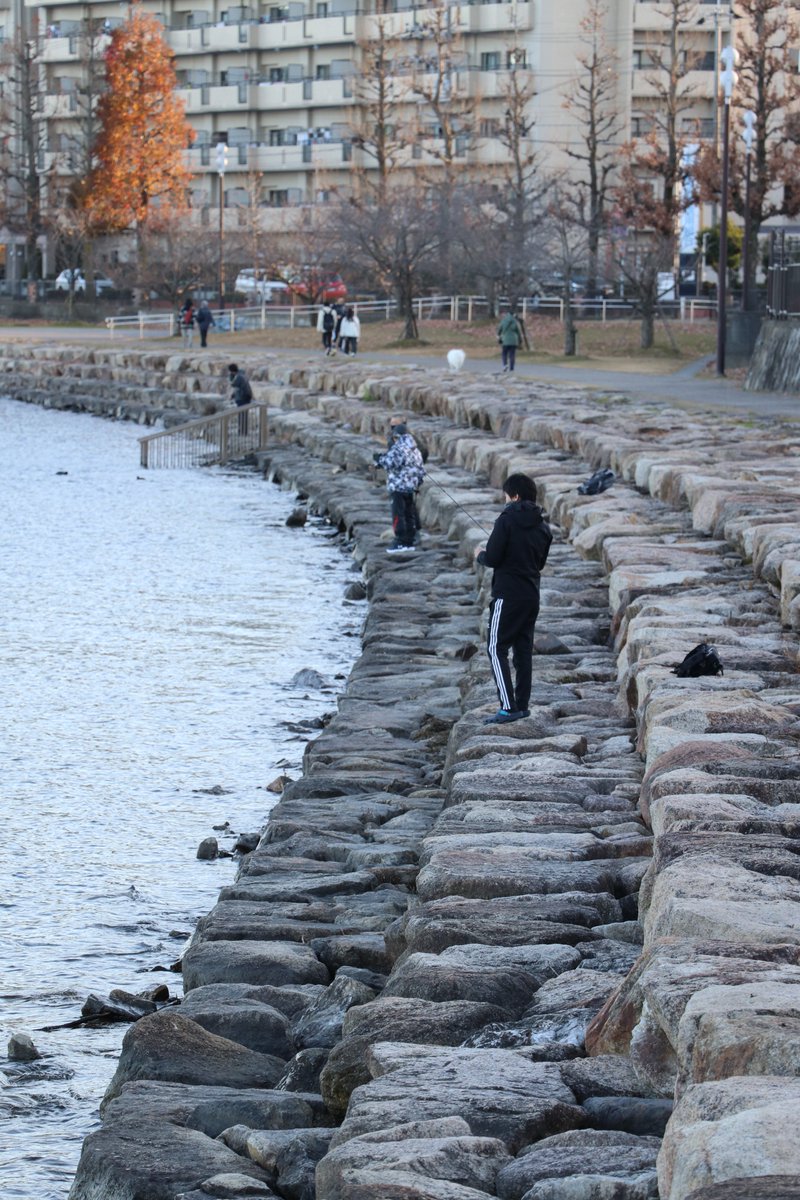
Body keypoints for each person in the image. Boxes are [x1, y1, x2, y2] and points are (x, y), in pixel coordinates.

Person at [474, 472, 552, 724]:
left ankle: (508, 707)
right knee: (522, 651)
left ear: (515, 496)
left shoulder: (505, 520)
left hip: (507, 595)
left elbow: (493, 558)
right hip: (531, 595)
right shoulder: (543, 526)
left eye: (506, 496)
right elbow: (539, 563)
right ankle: (522, 705)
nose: (505, 500)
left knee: (495, 648)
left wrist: (480, 554)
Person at [373, 421, 425, 555]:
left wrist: (378, 459)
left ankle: (400, 541)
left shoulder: (399, 448)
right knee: (409, 515)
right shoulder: (415, 449)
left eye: (394, 437)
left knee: (398, 515)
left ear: (397, 436)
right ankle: (409, 541)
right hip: (410, 488)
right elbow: (421, 469)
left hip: (398, 488)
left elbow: (391, 463)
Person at [389, 414, 428, 542]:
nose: (393, 429)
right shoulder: (408, 439)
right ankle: (413, 532)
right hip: (408, 479)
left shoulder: (403, 440)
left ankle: (403, 537)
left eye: (395, 426)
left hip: (402, 482)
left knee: (402, 509)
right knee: (408, 505)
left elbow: (393, 461)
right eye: (392, 426)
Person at [496, 306, 524, 373]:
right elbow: (518, 332)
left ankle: (505, 365)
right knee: (512, 354)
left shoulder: (504, 320)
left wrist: (498, 336)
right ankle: (511, 368)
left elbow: (499, 329)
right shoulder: (515, 322)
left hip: (505, 340)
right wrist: (520, 340)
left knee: (504, 353)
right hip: (514, 341)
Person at [228, 363, 253, 433]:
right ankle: (243, 431)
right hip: (246, 396)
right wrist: (233, 395)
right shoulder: (242, 374)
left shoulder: (239, 377)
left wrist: (230, 376)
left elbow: (232, 384)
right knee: (244, 415)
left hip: (242, 398)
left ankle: (242, 431)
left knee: (242, 415)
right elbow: (238, 388)